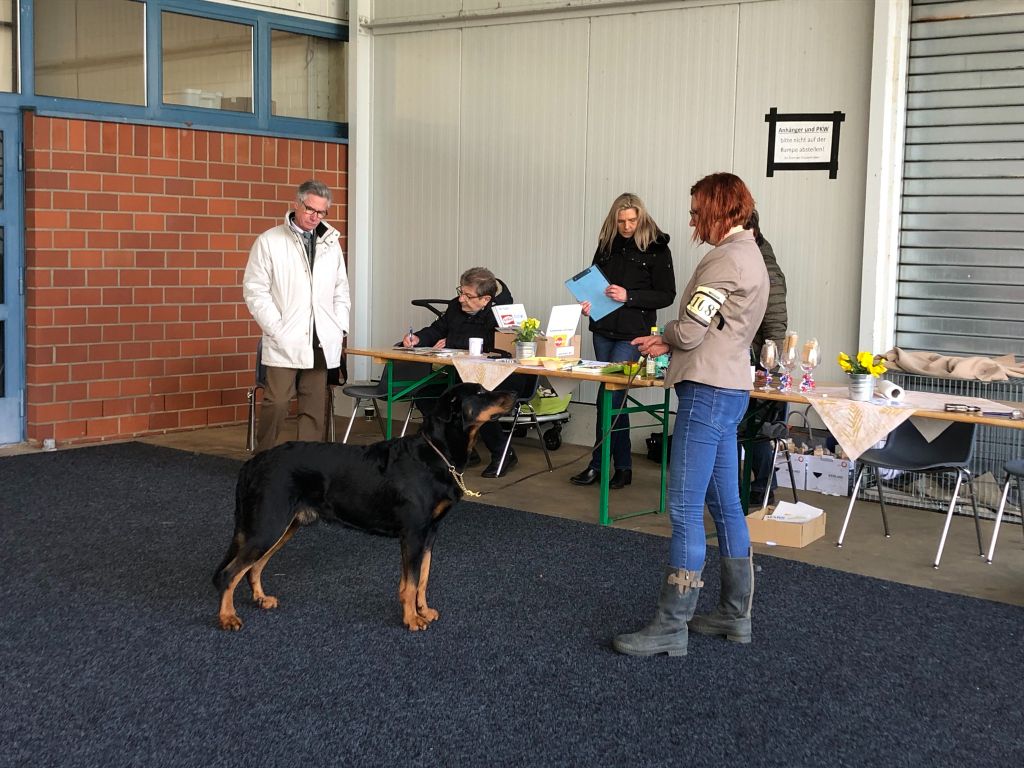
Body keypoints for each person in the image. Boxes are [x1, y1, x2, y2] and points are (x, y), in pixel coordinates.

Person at [613, 172, 769, 658]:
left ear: (719, 210)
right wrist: (672, 336)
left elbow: (694, 327)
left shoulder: (725, 258)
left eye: (697, 207)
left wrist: (668, 335)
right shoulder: (753, 256)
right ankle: (734, 613)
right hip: (729, 388)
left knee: (683, 509)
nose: (691, 217)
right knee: (726, 506)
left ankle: (671, 624)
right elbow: (713, 325)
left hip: (706, 392)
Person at [570, 193, 676, 490]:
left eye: (632, 220)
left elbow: (667, 294)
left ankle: (598, 464)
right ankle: (623, 467)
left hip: (633, 332)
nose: (627, 226)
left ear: (641, 217)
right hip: (602, 327)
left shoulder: (657, 248)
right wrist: (586, 301)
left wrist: (629, 296)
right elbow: (592, 281)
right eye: (621, 221)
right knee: (613, 398)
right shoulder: (607, 243)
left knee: (610, 398)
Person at [243, 180, 350, 453]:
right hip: (286, 337)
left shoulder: (331, 244)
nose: (315, 217)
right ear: (296, 204)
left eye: (322, 212)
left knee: (314, 408)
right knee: (277, 403)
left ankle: (307, 465)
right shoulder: (269, 241)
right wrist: (276, 328)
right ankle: (263, 458)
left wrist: (339, 327)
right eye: (310, 209)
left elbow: (341, 290)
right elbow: (255, 290)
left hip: (321, 338)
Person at [402, 267, 519, 478]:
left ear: (485, 299)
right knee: (424, 394)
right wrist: (419, 338)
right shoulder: (456, 306)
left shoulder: (503, 314)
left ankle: (503, 453)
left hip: (496, 378)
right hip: (457, 375)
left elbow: (496, 345)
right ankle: (464, 449)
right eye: (460, 292)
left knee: (475, 404)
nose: (461, 299)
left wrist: (453, 341)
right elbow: (438, 328)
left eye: (468, 295)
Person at [746, 210, 789, 507]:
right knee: (750, 427)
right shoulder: (749, 260)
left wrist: (768, 367)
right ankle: (761, 488)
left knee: (758, 428)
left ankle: (763, 490)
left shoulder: (766, 269)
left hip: (761, 362)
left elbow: (775, 326)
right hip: (746, 359)